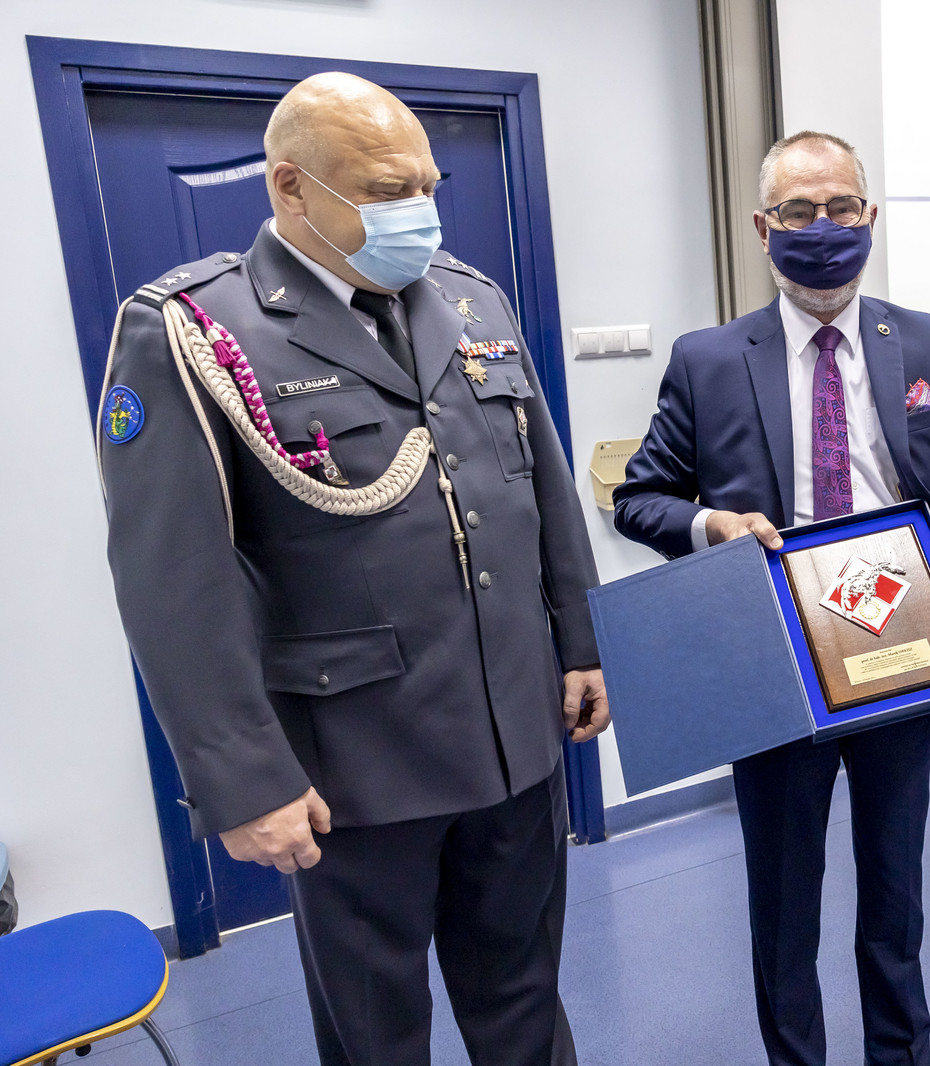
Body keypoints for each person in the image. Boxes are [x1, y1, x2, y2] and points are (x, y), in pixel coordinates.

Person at [98, 73, 607, 1066]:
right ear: (291, 187)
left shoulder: (470, 298)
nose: (417, 209)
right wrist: (243, 779)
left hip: (514, 734)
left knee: (526, 1006)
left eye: (426, 185)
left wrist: (581, 643)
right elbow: (173, 582)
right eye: (385, 190)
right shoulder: (196, 331)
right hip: (356, 766)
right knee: (377, 1039)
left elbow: (538, 485)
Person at [613, 130, 930, 1066]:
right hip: (774, 665)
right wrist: (710, 525)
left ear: (869, 216)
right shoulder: (709, 359)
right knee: (784, 906)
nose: (823, 226)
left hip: (904, 650)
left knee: (896, 897)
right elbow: (641, 498)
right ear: (765, 229)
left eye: (840, 207)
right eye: (798, 211)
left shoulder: (924, 341)